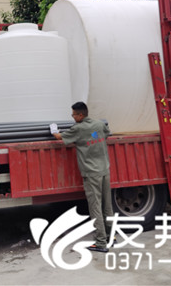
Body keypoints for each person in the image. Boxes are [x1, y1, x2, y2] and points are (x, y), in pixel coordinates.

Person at [51, 101, 112, 253]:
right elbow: (106, 133)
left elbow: (59, 137)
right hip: (104, 170)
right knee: (107, 206)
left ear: (80, 115)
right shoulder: (99, 124)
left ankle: (101, 243)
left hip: (91, 173)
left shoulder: (78, 129)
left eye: (73, 115)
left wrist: (53, 129)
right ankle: (111, 237)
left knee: (95, 207)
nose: (72, 117)